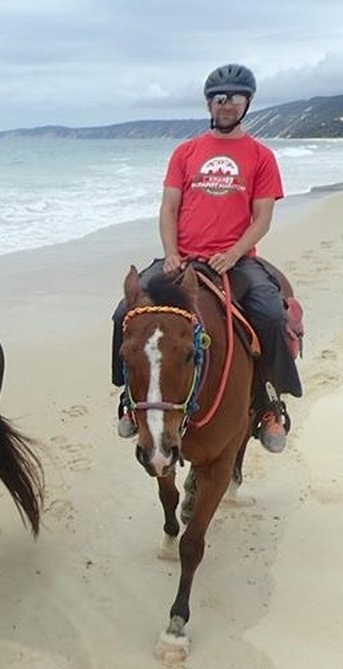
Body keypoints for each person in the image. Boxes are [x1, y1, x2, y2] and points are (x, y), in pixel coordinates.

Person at [111, 63, 303, 453]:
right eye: (219, 97)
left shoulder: (261, 156)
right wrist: (170, 254)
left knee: (268, 314)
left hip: (236, 261)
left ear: (246, 103)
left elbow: (262, 217)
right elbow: (169, 209)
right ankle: (129, 402)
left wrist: (232, 254)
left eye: (234, 97)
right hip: (181, 260)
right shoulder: (186, 152)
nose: (226, 104)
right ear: (208, 103)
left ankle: (270, 402)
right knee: (122, 315)